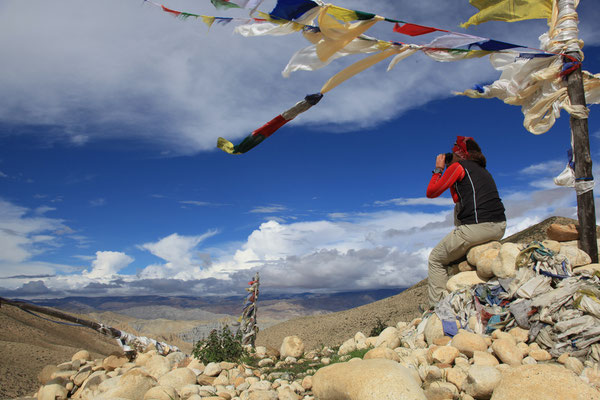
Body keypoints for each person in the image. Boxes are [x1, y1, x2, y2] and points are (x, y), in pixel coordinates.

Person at [425, 136, 506, 308]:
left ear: (460, 154)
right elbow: (457, 198)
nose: (450, 156)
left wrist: (439, 169)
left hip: (477, 227)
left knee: (436, 259)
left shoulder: (459, 166)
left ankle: (438, 307)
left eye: (453, 153)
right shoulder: (483, 170)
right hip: (499, 227)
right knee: (458, 261)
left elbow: (432, 192)